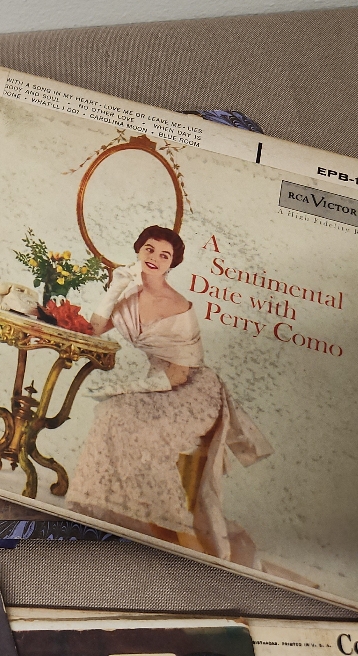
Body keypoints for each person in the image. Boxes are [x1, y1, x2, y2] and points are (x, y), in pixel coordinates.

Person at [64, 225, 272, 567]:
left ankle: (174, 527)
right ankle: (118, 511)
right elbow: (94, 329)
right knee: (111, 414)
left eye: (165, 255)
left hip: (195, 391)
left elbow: (179, 375)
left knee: (133, 422)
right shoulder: (130, 298)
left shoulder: (179, 305)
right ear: (138, 250)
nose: (155, 258)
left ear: (172, 264)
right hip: (159, 383)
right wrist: (115, 287)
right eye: (149, 249)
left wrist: (126, 388)